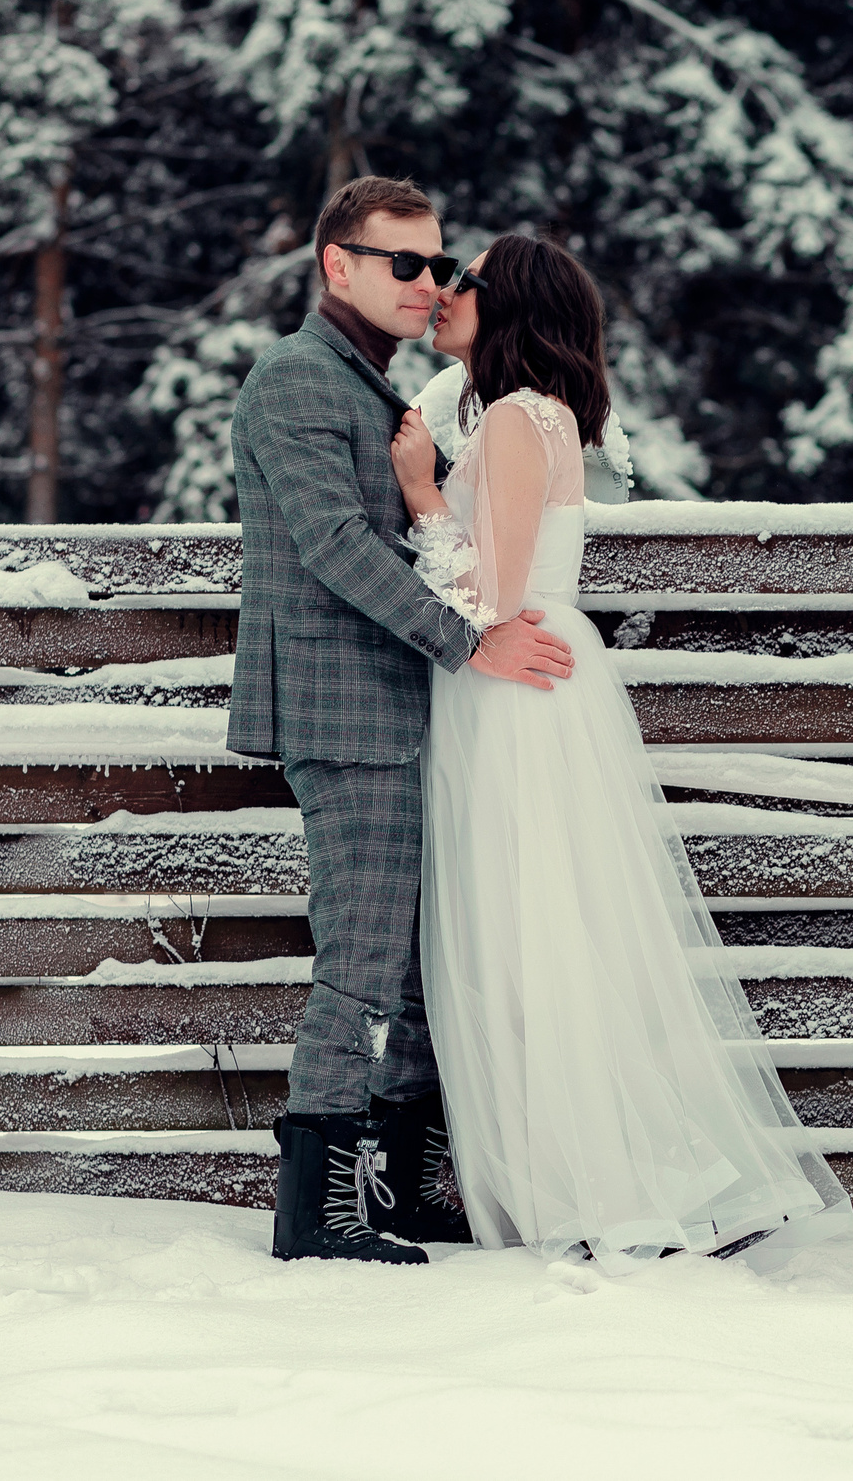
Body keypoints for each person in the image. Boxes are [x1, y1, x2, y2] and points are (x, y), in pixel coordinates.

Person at [389, 233, 849, 1269]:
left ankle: (593, 1181)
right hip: (520, 680)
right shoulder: (527, 416)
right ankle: (582, 1171)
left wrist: (421, 491)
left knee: (533, 926)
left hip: (513, 682)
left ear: (506, 307)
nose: (444, 295)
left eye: (465, 282)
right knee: (548, 924)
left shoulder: (514, 418)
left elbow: (489, 599)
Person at [228, 177, 576, 1265]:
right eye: (405, 264)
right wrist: (470, 641)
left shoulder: (381, 387)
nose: (429, 284)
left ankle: (407, 1180)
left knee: (424, 959)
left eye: (439, 264)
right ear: (338, 264)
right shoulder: (295, 380)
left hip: (412, 707)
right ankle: (317, 1207)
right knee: (366, 955)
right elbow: (333, 548)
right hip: (341, 707)